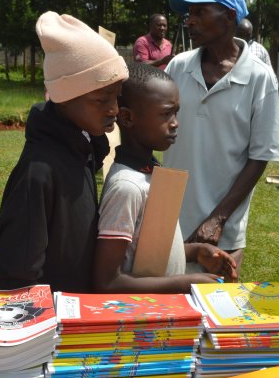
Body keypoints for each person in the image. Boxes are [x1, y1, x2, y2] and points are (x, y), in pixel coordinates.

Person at [0, 11, 128, 292]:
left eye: (116, 97)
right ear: (64, 96)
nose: (114, 109)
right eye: (101, 99)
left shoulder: (82, 149)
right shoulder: (38, 172)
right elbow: (17, 274)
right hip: (51, 324)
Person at [165, 0, 279, 275]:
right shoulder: (178, 66)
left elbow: (259, 157)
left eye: (200, 12)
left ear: (229, 17)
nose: (190, 20)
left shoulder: (259, 77)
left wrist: (218, 218)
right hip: (171, 218)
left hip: (222, 229)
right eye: (189, 13)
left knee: (212, 311)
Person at [94, 63, 237, 293]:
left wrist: (196, 251)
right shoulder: (127, 187)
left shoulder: (149, 172)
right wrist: (185, 284)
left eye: (176, 112)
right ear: (128, 118)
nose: (175, 123)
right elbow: (108, 281)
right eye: (165, 113)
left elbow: (150, 252)